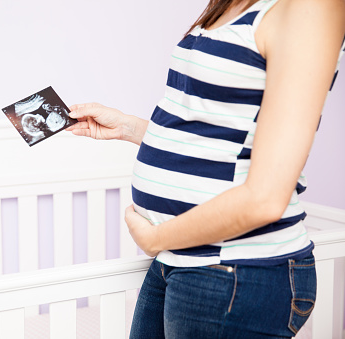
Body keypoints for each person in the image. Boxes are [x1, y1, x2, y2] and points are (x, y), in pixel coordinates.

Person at [66, 0, 345, 337]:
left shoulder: (310, 8)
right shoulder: (233, 4)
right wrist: (130, 129)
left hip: (235, 267)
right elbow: (220, 128)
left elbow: (266, 198)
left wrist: (156, 237)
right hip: (181, 260)